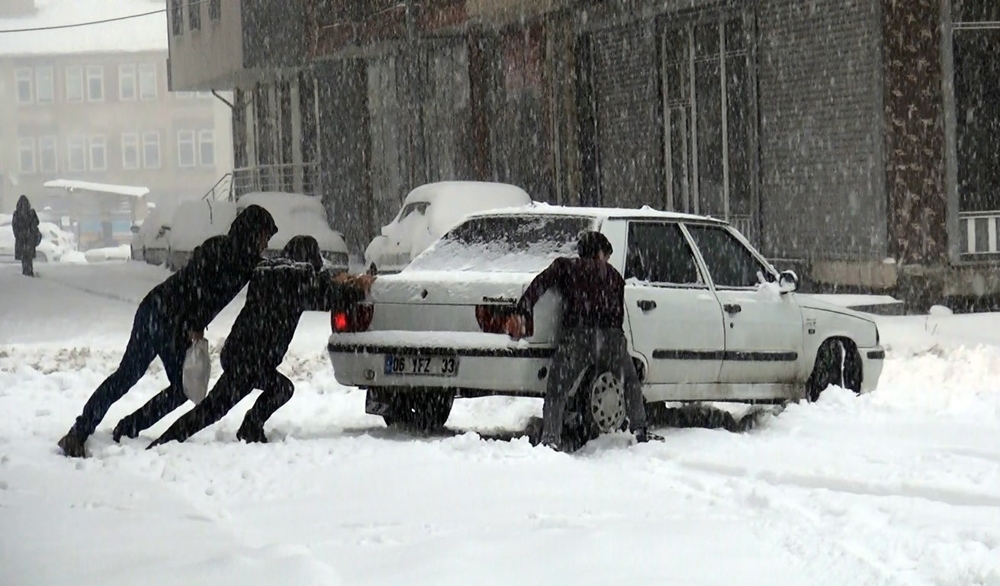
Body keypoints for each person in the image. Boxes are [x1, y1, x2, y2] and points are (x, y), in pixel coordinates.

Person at [56, 205, 279, 458]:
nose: (265, 243)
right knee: (163, 384)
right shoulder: (224, 252)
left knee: (137, 378)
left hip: (159, 309)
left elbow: (266, 271)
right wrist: (193, 323)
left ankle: (107, 429)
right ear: (252, 232)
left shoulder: (241, 259)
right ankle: (101, 430)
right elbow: (196, 284)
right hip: (166, 317)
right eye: (264, 236)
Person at [146, 235, 375, 448]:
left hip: (241, 353)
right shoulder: (295, 281)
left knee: (218, 408)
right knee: (261, 395)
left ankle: (178, 439)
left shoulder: (270, 271)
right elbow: (328, 297)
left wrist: (337, 279)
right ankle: (240, 429)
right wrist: (358, 289)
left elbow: (315, 284)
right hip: (252, 360)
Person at [509, 230, 654, 452]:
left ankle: (551, 438)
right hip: (611, 337)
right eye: (606, 255)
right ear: (598, 253)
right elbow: (618, 316)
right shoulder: (614, 276)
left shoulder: (566, 267)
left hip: (577, 335)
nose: (606, 261)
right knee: (630, 381)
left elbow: (540, 284)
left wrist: (522, 309)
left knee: (558, 388)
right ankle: (640, 429)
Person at [11, 195, 41, 277]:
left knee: (24, 259)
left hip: (22, 241)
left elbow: (15, 228)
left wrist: (20, 235)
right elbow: (36, 223)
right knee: (29, 259)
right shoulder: (31, 213)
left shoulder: (16, 215)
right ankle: (29, 272)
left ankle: (26, 273)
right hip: (29, 241)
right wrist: (30, 231)